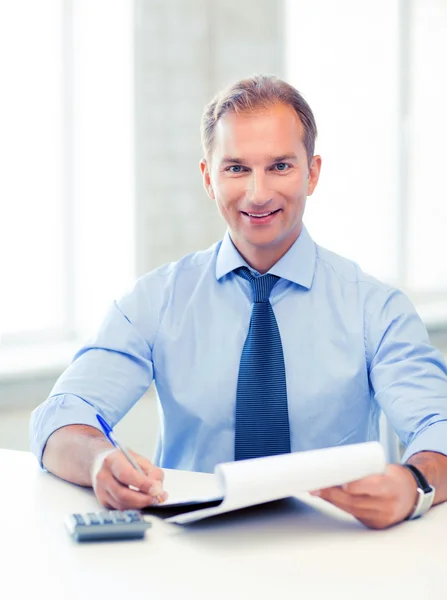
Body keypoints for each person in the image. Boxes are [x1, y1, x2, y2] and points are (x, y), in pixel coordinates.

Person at [30, 74, 447, 529]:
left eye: (280, 166)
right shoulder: (154, 301)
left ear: (313, 173)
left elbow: (437, 425)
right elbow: (62, 415)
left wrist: (415, 483)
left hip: (336, 550)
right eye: (236, 168)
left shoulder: (377, 309)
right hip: (194, 553)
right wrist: (97, 461)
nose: (258, 193)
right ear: (209, 178)